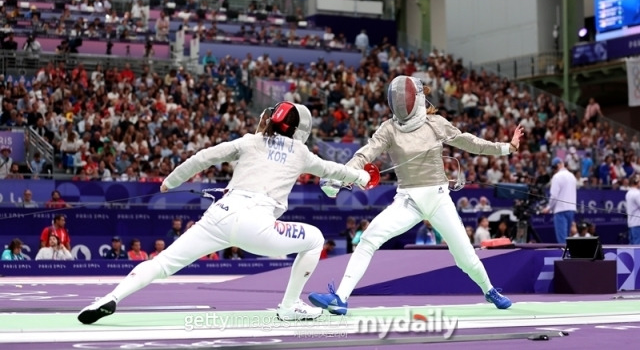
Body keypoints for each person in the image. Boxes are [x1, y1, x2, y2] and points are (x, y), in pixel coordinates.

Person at [77, 101, 374, 325]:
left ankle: (110, 298)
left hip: (219, 217)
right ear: (298, 130)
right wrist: (361, 178)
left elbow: (203, 157)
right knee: (315, 238)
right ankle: (288, 305)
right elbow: (335, 170)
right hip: (258, 226)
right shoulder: (301, 153)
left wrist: (171, 181)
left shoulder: (249, 141)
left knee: (164, 262)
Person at [309, 76, 523, 315]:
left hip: (439, 199)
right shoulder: (388, 129)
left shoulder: (436, 124)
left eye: (405, 97)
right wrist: (341, 175)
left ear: (417, 99)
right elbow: (364, 155)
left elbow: (471, 143)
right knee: (368, 239)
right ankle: (340, 298)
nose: (401, 102)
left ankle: (490, 290)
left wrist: (507, 147)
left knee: (465, 258)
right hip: (408, 201)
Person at [542, 158, 577, 244]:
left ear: (557, 166)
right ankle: (569, 255)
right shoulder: (572, 176)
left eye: (554, 168)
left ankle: (564, 257)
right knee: (568, 238)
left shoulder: (556, 177)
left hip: (560, 211)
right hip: (571, 209)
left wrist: (548, 208)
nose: (553, 170)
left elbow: (554, 196)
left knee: (562, 240)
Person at [626, 174, 640, 244]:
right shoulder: (637, 193)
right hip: (638, 224)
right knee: (637, 248)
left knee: (631, 248)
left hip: (631, 224)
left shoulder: (628, 193)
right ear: (636, 182)